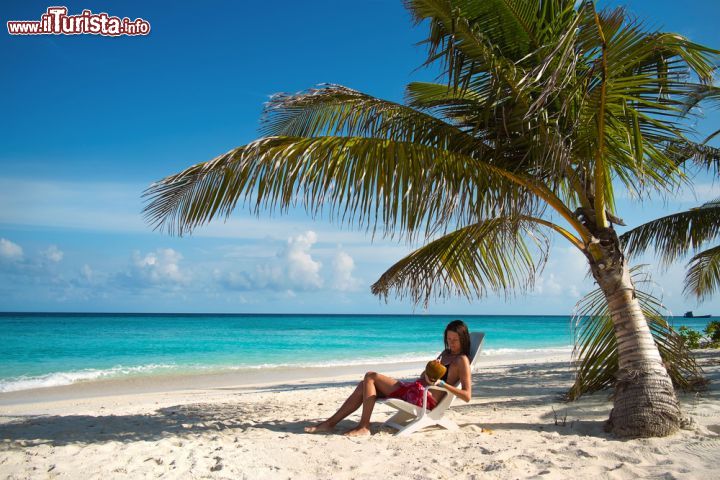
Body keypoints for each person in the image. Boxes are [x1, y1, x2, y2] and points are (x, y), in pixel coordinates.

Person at [304, 319, 473, 436]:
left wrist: (442, 384)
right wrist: (429, 373)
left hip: (424, 399)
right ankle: (330, 423)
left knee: (371, 376)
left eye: (455, 340)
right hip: (416, 389)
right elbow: (426, 378)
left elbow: (466, 396)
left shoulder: (462, 360)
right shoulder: (446, 353)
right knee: (365, 384)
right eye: (448, 339)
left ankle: (363, 426)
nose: (451, 343)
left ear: (463, 339)